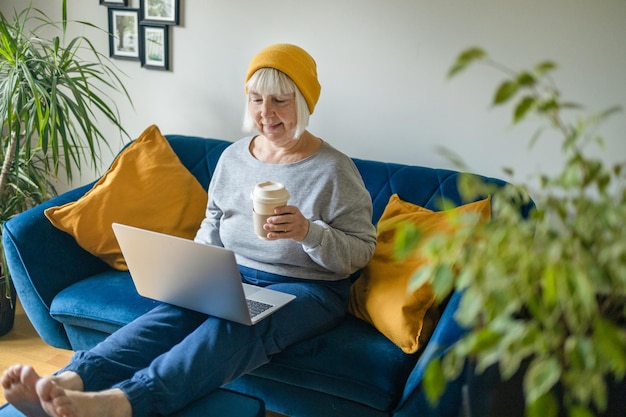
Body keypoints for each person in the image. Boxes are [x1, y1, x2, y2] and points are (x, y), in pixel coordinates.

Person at [1, 43, 377, 417]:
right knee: (167, 317)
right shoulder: (233, 159)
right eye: (256, 99)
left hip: (308, 287)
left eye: (280, 100)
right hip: (234, 273)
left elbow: (361, 251)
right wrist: (196, 271)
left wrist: (308, 232)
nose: (266, 113)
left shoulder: (333, 169)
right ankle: (71, 379)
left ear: (304, 102)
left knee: (235, 327)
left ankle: (124, 402)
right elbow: (212, 221)